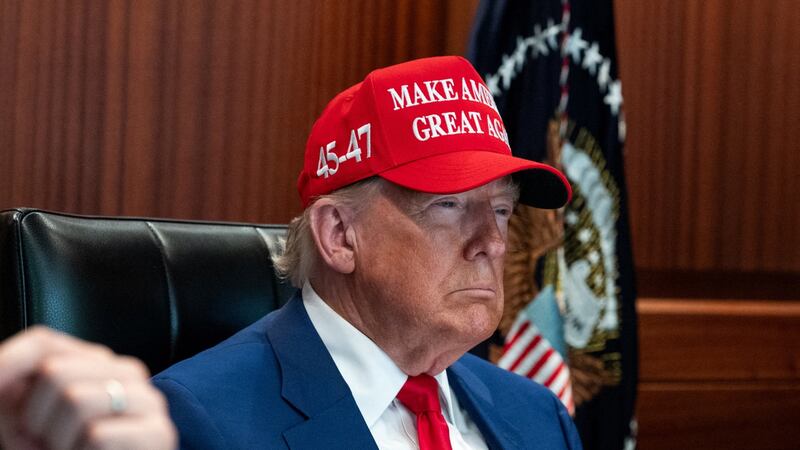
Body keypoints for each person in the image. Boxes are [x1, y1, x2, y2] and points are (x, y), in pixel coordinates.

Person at [0, 56, 581, 450]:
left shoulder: (538, 416)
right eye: (448, 206)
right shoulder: (197, 421)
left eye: (500, 209)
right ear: (339, 235)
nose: (493, 242)